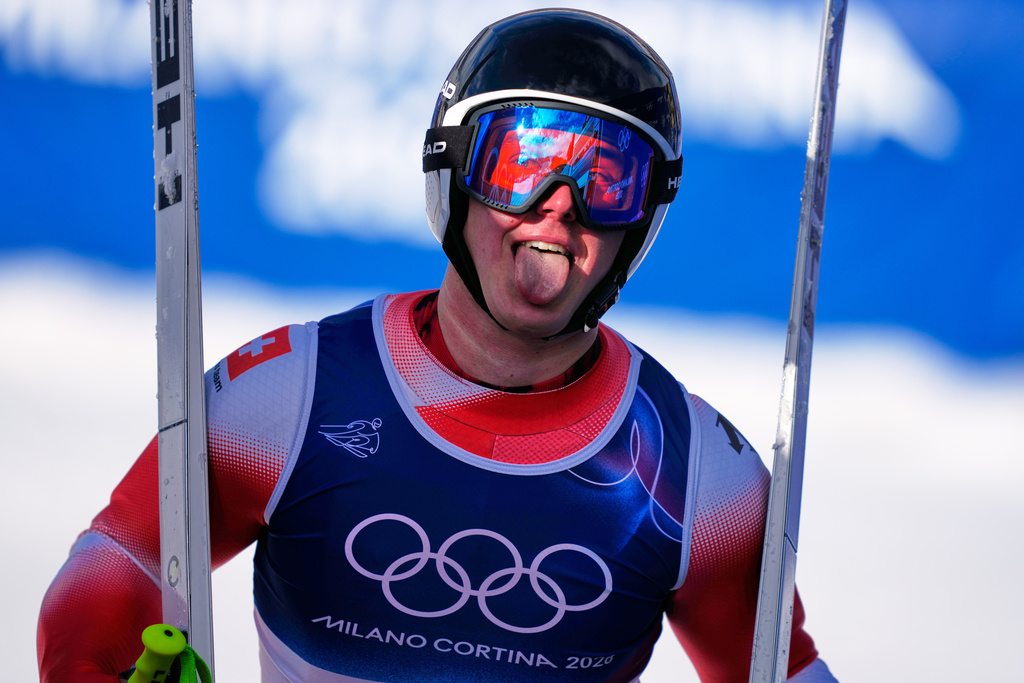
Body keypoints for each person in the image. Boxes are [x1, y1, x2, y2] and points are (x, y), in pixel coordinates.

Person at [38, 9, 838, 682]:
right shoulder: (288, 397)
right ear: (450, 172)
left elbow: (786, 668)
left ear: (642, 222)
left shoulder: (700, 476)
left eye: (608, 178)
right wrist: (94, 661)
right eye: (521, 163)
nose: (559, 209)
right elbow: (124, 555)